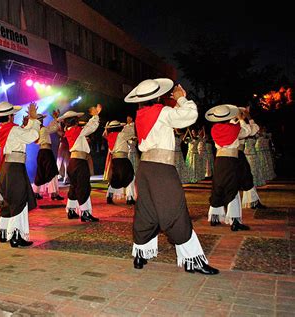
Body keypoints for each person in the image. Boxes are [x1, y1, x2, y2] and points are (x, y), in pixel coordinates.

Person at [125, 78, 218, 275]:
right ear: (158, 96)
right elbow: (189, 116)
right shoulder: (162, 112)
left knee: (147, 210)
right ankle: (193, 260)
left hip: (146, 168)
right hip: (161, 170)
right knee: (174, 211)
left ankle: (140, 254)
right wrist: (182, 99)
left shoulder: (141, 115)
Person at [0, 101, 40, 247]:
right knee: (19, 200)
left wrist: (30, 121)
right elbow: (32, 135)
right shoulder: (13, 130)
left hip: (8, 167)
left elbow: (23, 134)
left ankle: (4, 231)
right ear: (11, 116)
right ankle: (15, 235)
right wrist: (34, 119)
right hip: (15, 167)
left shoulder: (4, 129)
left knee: (10, 199)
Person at [205, 105, 252, 230]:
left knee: (218, 187)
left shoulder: (214, 129)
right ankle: (235, 221)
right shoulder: (235, 129)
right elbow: (248, 131)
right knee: (232, 189)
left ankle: (214, 217)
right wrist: (241, 119)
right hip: (231, 161)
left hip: (219, 161)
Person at [58, 105, 102, 222]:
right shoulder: (77, 131)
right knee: (83, 186)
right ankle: (85, 212)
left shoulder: (69, 131)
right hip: (79, 162)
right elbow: (91, 127)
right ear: (76, 121)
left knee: (74, 186)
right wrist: (95, 116)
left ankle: (71, 210)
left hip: (73, 162)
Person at [236, 108, 267, 210]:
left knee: (247, 179)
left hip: (231, 156)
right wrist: (247, 117)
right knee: (246, 179)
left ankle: (253, 202)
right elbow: (253, 130)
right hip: (237, 155)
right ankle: (252, 202)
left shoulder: (234, 124)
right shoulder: (236, 125)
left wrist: (244, 117)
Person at [32, 110, 65, 201]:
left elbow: (51, 127)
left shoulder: (37, 130)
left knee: (41, 172)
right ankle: (54, 194)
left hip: (41, 152)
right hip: (46, 152)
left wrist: (55, 119)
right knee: (53, 172)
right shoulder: (43, 129)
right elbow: (54, 128)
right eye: (41, 119)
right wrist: (56, 119)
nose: (42, 121)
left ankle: (36, 192)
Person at [103, 120, 136, 205]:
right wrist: (129, 125)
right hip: (123, 159)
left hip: (114, 160)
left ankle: (109, 195)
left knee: (115, 178)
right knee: (130, 176)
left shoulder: (109, 136)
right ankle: (130, 197)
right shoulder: (121, 135)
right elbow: (132, 131)